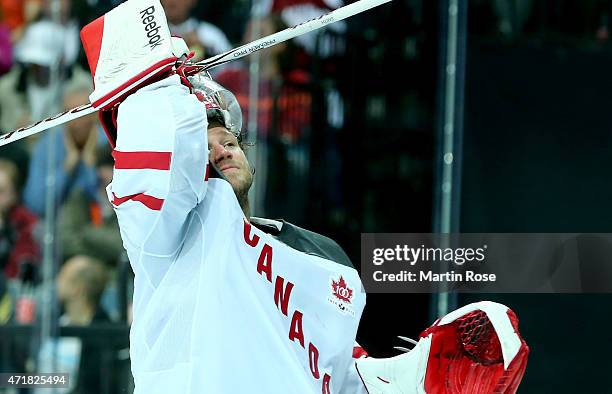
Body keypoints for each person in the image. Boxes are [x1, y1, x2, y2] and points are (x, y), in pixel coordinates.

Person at [80, 2, 529, 393]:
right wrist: (155, 79)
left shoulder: (325, 261)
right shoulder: (167, 236)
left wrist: (415, 376)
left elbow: (345, 375)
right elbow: (152, 148)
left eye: (229, 139)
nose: (222, 148)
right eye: (205, 143)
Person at [23, 72, 100, 216]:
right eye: (69, 114)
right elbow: (35, 204)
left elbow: (106, 202)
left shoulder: (109, 143)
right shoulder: (48, 147)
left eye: (81, 115)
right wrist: (66, 168)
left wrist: (90, 166)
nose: (75, 124)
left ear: (94, 115)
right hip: (60, 231)